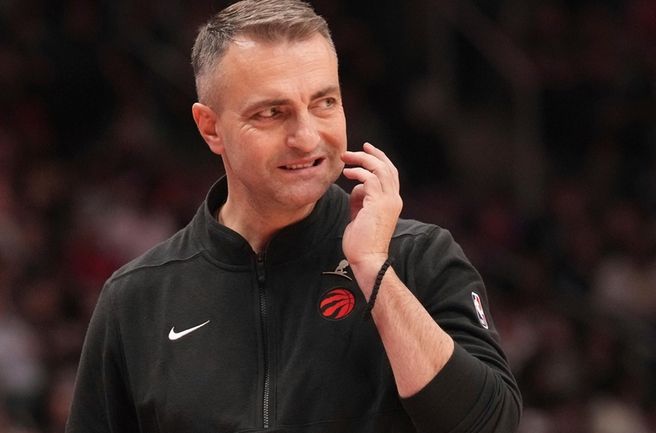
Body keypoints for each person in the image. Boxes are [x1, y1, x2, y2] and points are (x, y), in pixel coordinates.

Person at [65, 1, 522, 432]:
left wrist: (374, 271)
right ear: (210, 127)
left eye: (324, 102)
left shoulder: (420, 258)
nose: (306, 137)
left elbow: (491, 424)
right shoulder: (136, 299)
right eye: (271, 113)